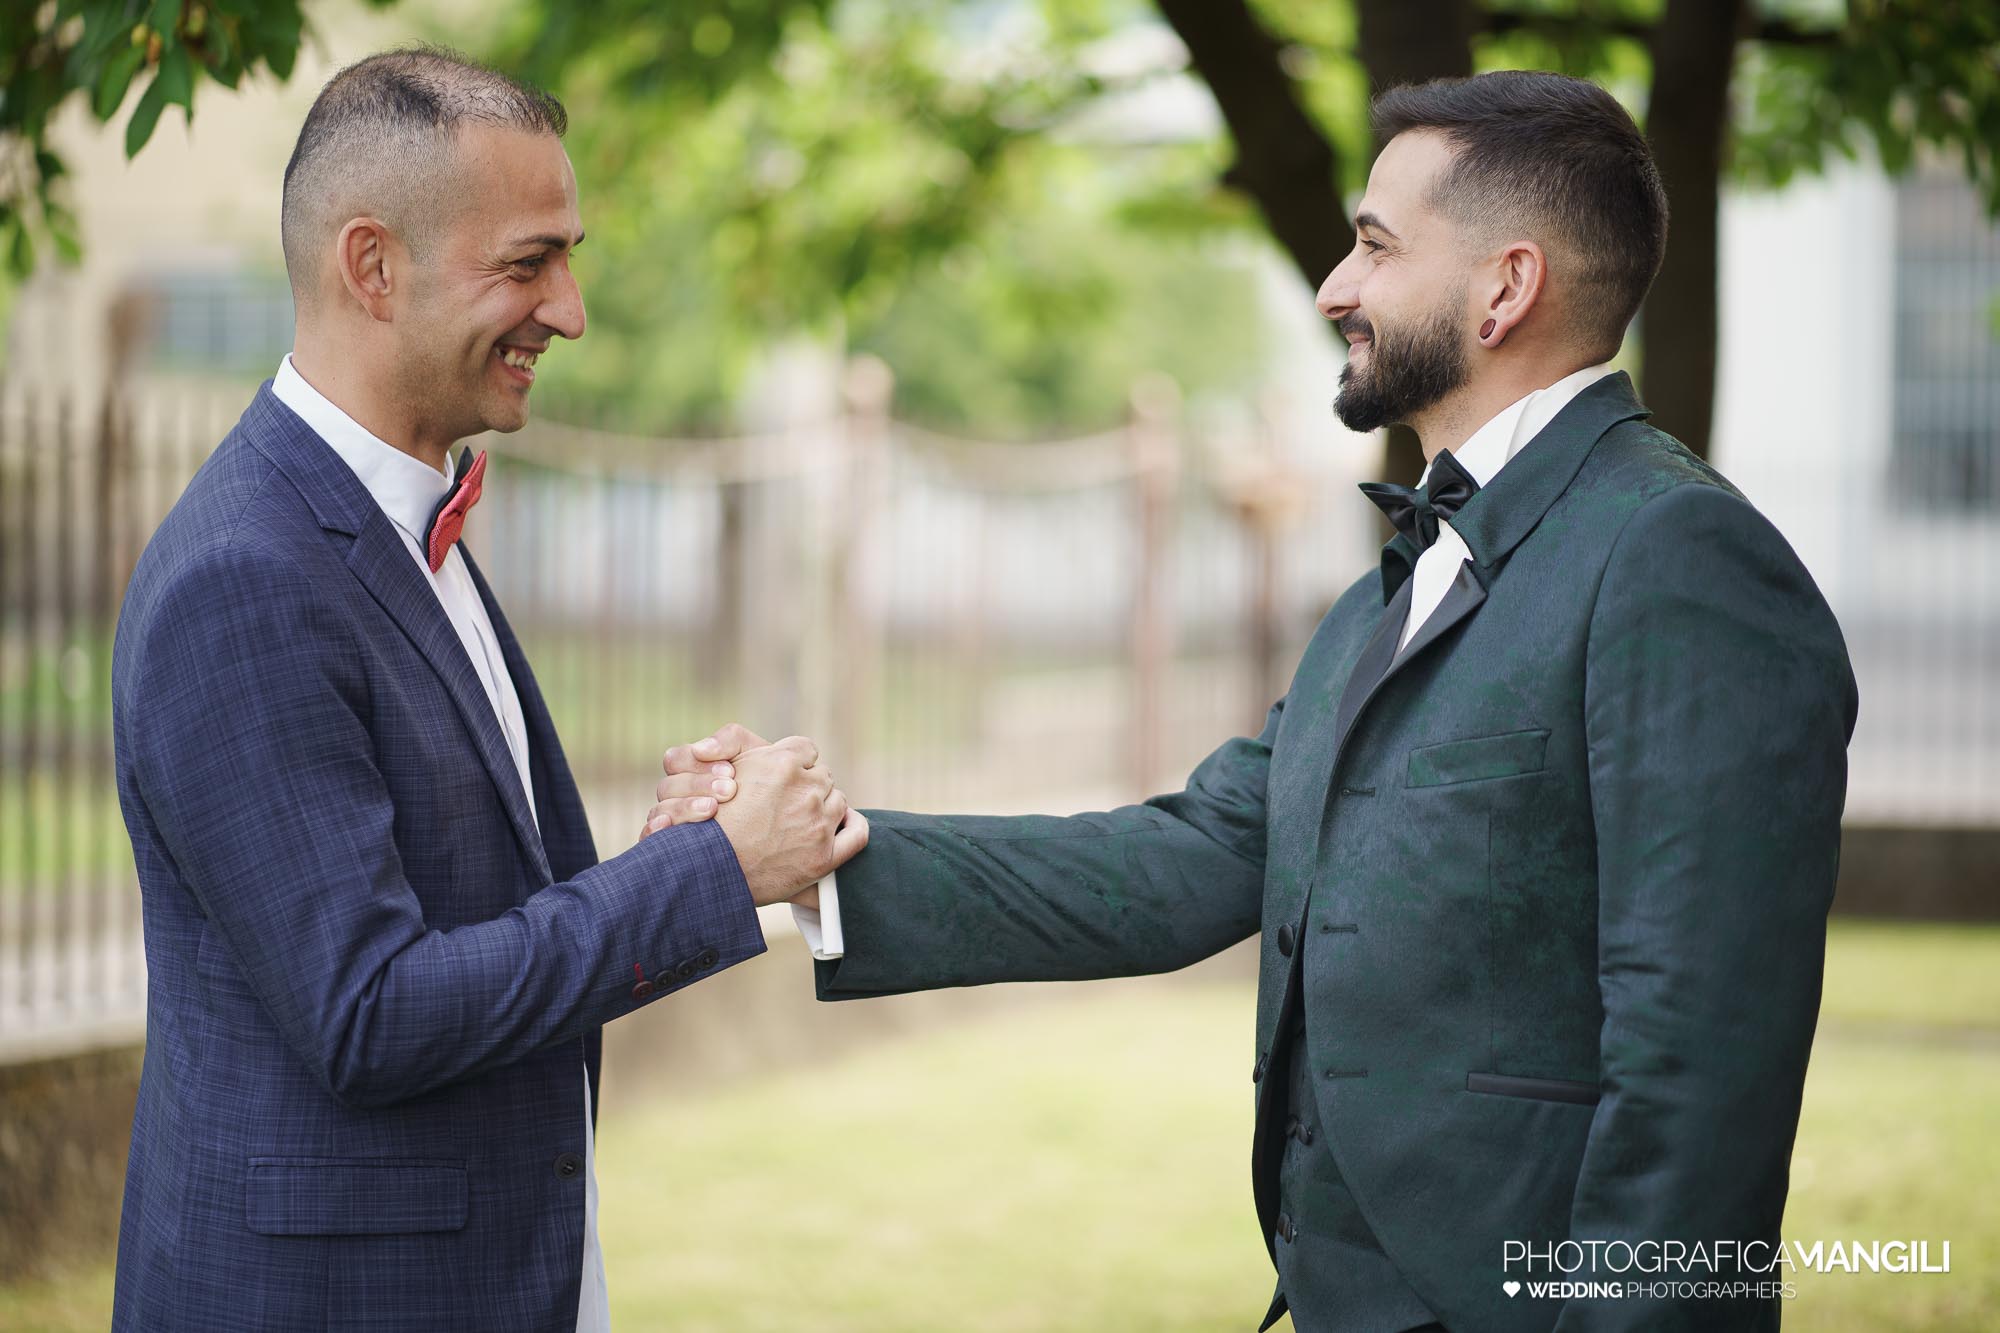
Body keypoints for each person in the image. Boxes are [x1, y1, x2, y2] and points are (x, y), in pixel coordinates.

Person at [663, 70, 1858, 1332]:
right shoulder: (1385, 596)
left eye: (1372, 246)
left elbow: (1701, 1064)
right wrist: (817, 855)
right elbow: (1188, 855)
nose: (1334, 287)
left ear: (1505, 288)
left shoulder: (1678, 558)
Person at [109, 47, 863, 1332]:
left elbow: (457, 907)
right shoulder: (246, 575)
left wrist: (662, 851)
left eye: (567, 259)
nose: (568, 311)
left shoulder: (393, 516)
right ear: (371, 265)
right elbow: (370, 1011)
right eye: (527, 264)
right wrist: (712, 875)